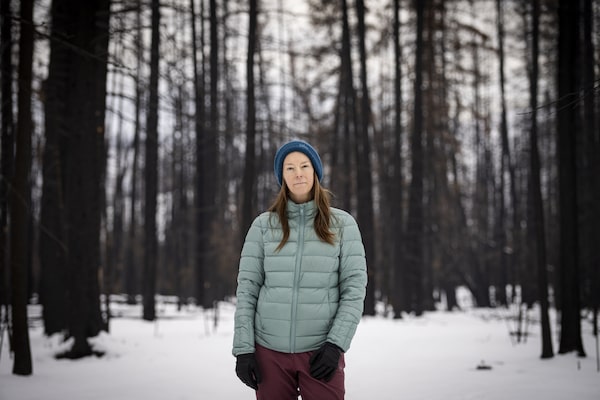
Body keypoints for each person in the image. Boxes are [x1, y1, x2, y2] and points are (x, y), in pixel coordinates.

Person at [232, 139, 368, 400]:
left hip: (321, 352)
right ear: (281, 176)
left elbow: (354, 289)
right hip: (269, 352)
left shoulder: (343, 224)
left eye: (304, 166)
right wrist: (244, 348)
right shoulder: (263, 226)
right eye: (290, 168)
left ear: (315, 171)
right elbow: (247, 289)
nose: (298, 173)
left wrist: (335, 344)